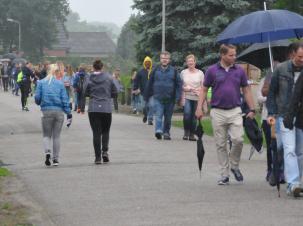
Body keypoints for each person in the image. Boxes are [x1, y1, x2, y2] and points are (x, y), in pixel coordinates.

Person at [195, 44, 256, 185]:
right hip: (217, 111)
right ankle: (224, 174)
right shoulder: (212, 70)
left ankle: (234, 166)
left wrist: (252, 109)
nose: (234, 57)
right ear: (222, 55)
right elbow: (204, 90)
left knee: (239, 140)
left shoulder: (239, 71)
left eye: (235, 55)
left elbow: (246, 90)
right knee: (221, 144)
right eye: (231, 55)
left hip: (235, 110)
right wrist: (199, 108)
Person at [267, 42, 303, 197]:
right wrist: (272, 113)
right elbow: (272, 93)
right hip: (284, 114)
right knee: (289, 149)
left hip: (301, 115)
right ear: (292, 54)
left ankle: (296, 183)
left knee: (300, 151)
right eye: (300, 56)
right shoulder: (280, 69)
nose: (302, 59)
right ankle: (293, 183)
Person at [35, 63, 72, 167]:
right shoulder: (60, 84)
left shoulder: (41, 82)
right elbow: (65, 99)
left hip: (46, 111)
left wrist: (39, 102)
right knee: (56, 136)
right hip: (59, 112)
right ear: (57, 72)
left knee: (46, 135)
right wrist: (68, 113)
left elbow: (37, 98)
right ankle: (55, 159)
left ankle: (47, 152)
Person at [83, 59, 118, 164]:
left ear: (93, 67)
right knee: (106, 131)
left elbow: (85, 92)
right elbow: (115, 91)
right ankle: (105, 152)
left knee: (96, 133)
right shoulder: (109, 78)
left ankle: (98, 157)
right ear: (102, 67)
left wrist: (91, 95)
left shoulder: (88, 78)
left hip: (93, 108)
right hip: (106, 108)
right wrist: (108, 96)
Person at [144, 51, 182, 140]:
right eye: (163, 58)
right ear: (160, 59)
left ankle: (166, 133)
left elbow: (178, 84)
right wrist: (147, 95)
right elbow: (150, 83)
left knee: (168, 118)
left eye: (166, 58)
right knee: (159, 115)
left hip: (170, 98)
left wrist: (177, 97)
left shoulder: (174, 71)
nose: (164, 60)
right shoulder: (155, 70)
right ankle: (158, 131)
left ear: (169, 60)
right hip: (158, 97)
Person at [180, 54, 207, 141]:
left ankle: (192, 134)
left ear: (195, 62)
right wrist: (186, 88)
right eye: (189, 61)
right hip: (187, 96)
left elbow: (204, 87)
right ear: (186, 63)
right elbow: (180, 86)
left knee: (195, 116)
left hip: (197, 97)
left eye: (192, 61)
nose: (190, 63)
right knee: (187, 114)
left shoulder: (200, 73)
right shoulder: (183, 72)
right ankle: (186, 132)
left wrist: (199, 90)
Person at [134, 56, 154, 124]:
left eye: (149, 63)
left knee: (151, 105)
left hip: (152, 93)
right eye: (146, 63)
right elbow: (136, 81)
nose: (147, 64)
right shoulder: (140, 72)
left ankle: (150, 119)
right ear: (144, 63)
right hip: (143, 92)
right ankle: (145, 115)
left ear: (151, 63)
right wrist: (135, 89)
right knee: (144, 107)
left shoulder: (153, 71)